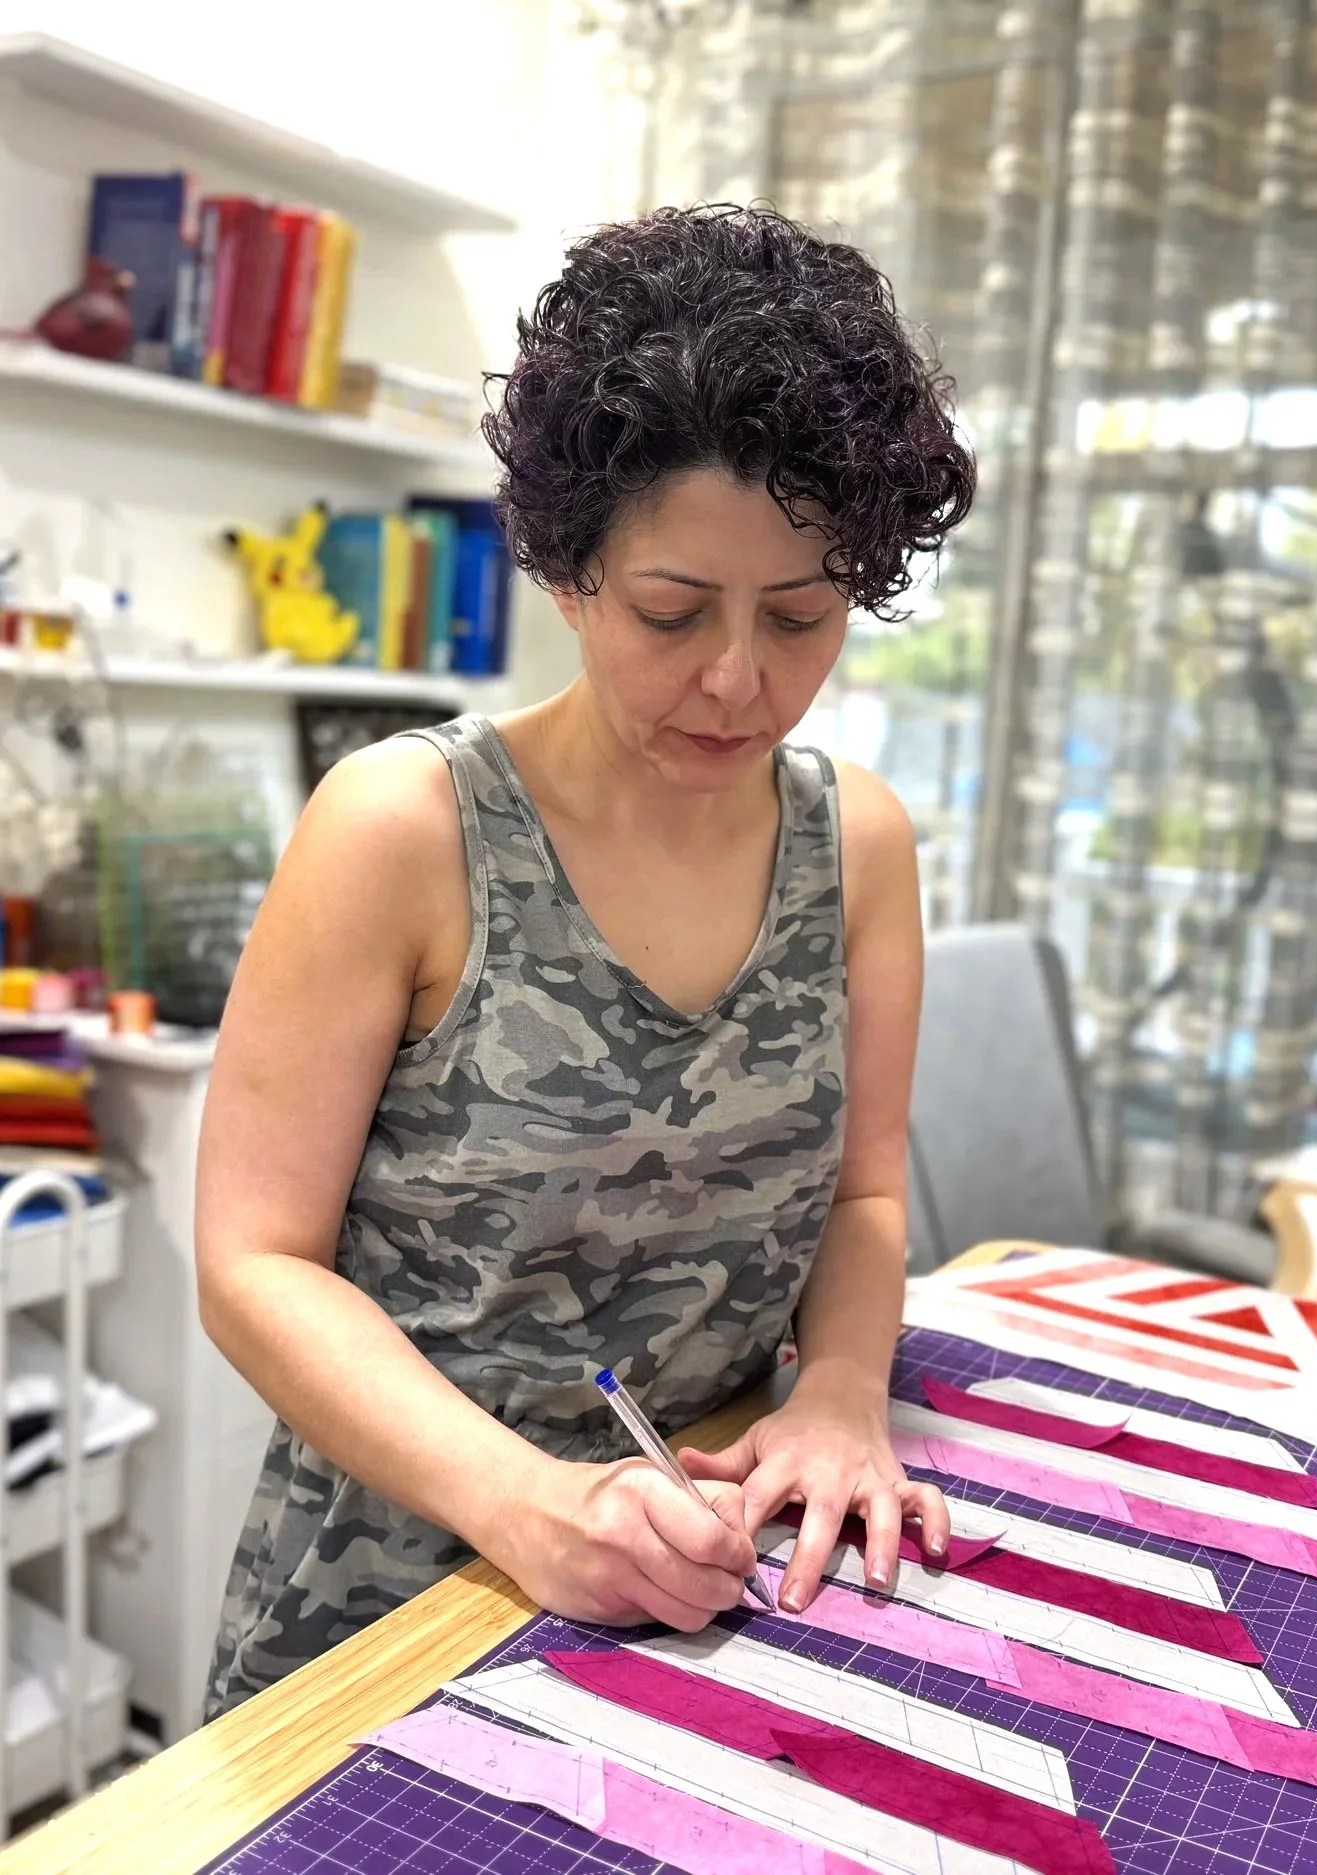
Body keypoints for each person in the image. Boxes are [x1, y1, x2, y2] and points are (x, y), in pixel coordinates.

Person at [197, 203, 975, 1717]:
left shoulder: (855, 845)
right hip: (390, 1612)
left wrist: (835, 1393)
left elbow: (868, 1193)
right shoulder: (405, 829)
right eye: (675, 611)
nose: (740, 679)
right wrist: (525, 1502)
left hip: (709, 1593)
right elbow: (251, 1265)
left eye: (802, 616)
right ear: (564, 567)